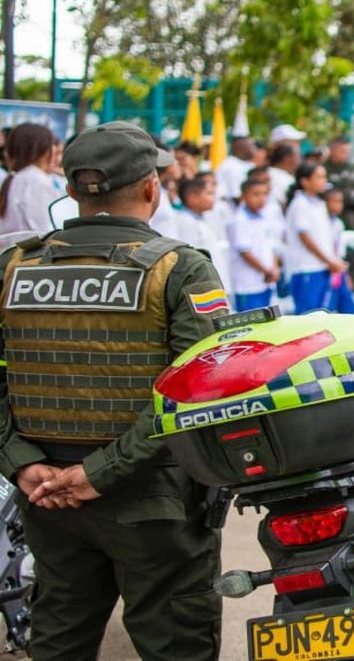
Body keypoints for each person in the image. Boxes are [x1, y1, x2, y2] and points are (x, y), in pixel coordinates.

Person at [0, 121, 224, 659]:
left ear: (70, 189)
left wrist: (21, 461)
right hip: (154, 498)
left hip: (45, 494)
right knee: (176, 644)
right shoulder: (180, 268)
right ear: (151, 187)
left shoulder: (14, 266)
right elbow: (197, 392)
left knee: (59, 637)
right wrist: (100, 474)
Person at [285, 163, 344, 313]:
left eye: (324, 177)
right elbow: (305, 238)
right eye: (319, 177)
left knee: (322, 314)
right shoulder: (300, 204)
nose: (324, 181)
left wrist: (332, 260)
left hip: (322, 267)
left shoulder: (320, 205)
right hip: (306, 268)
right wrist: (328, 261)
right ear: (305, 181)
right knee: (307, 316)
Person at [228, 178, 281, 311]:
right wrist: (266, 271)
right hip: (248, 284)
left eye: (264, 194)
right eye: (256, 194)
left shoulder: (264, 217)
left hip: (267, 281)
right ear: (243, 196)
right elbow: (244, 252)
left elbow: (272, 246)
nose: (261, 198)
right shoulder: (239, 220)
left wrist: (274, 268)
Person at [0, 123, 58, 235]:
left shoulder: (17, 177)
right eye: (52, 144)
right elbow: (43, 228)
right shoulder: (35, 179)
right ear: (43, 149)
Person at [322, 188, 354, 314]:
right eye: (334, 201)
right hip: (327, 269)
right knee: (326, 308)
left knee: (348, 306)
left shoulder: (338, 223)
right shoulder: (321, 222)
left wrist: (346, 275)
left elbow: (339, 252)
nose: (338, 205)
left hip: (339, 270)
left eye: (340, 202)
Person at [325, 136, 354, 230]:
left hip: (353, 213)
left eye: (347, 151)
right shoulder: (324, 169)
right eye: (342, 151)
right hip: (331, 214)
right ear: (332, 150)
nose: (345, 154)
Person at [214, 136, 257, 211]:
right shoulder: (230, 165)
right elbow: (237, 196)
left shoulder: (250, 164)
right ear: (238, 148)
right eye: (251, 146)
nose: (254, 149)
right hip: (230, 209)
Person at [267, 143, 300, 211]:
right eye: (297, 155)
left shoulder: (266, 172)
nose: (299, 159)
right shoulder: (287, 180)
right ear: (287, 158)